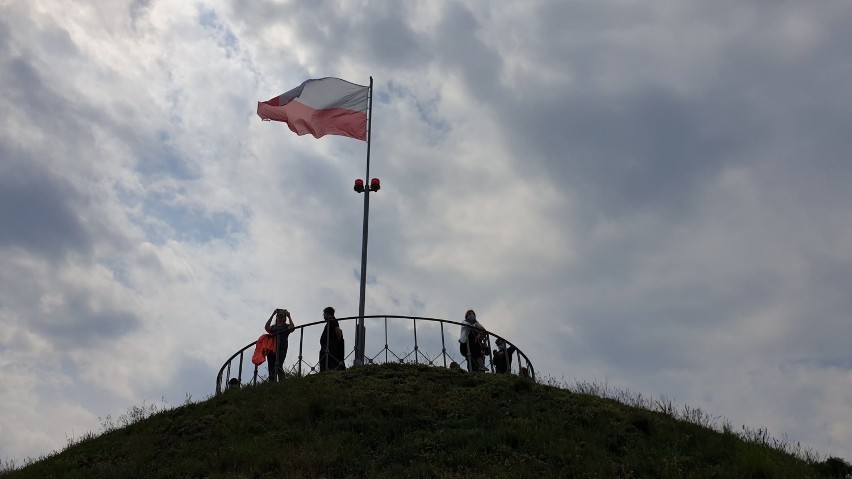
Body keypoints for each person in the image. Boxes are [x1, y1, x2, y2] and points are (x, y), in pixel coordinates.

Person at [264, 308, 296, 381]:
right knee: (271, 365)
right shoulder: (273, 327)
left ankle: (282, 381)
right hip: (272, 348)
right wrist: (272, 314)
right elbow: (266, 328)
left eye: (282, 316)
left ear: (285, 317)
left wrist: (289, 317)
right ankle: (272, 382)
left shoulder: (286, 326)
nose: (280, 317)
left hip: (281, 347)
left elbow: (292, 328)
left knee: (278, 364)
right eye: (279, 315)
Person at [319, 306, 345, 371]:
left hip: (330, 348)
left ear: (327, 313)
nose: (323, 316)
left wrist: (336, 343)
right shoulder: (331, 321)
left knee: (330, 365)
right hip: (328, 347)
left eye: (324, 314)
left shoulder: (333, 321)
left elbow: (338, 331)